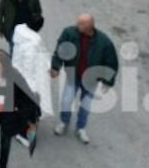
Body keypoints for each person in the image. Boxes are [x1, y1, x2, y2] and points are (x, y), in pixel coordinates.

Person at [50, 13, 119, 144]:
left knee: (86, 105)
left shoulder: (104, 42)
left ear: (90, 26)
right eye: (78, 22)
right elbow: (60, 50)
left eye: (81, 23)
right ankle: (64, 121)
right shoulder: (69, 33)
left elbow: (111, 62)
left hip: (91, 79)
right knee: (66, 101)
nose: (77, 25)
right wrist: (55, 66)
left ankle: (81, 128)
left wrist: (108, 81)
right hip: (73, 75)